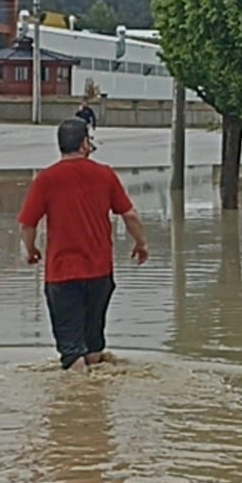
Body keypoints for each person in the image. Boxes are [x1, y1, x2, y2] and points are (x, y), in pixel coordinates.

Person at [19, 119, 149, 371]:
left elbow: (27, 224)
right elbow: (130, 215)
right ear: (85, 144)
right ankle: (97, 391)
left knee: (71, 349)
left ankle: (79, 392)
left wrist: (31, 249)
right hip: (100, 273)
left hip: (62, 274)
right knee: (93, 343)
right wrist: (141, 243)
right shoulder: (105, 175)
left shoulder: (46, 179)